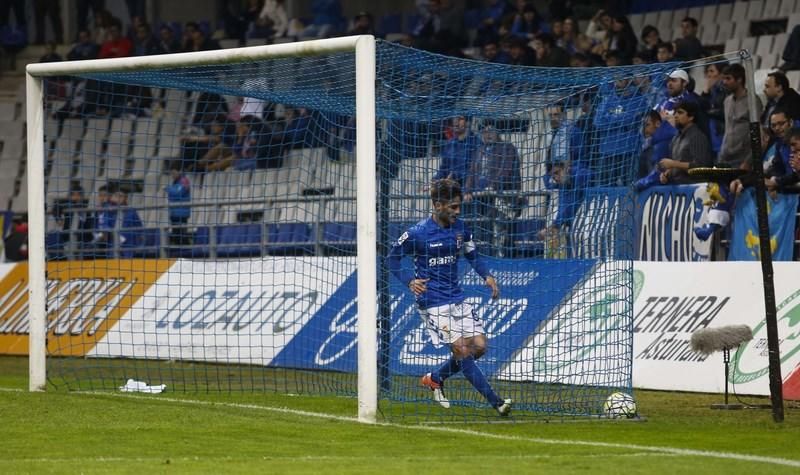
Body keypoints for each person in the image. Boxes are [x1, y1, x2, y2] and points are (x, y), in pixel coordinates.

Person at [386, 178, 512, 416]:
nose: (457, 211)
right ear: (437, 205)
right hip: (432, 302)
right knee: (462, 351)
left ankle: (435, 378)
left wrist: (487, 276)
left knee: (480, 347)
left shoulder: (460, 228)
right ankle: (497, 402)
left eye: (459, 206)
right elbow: (391, 259)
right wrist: (409, 281)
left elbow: (472, 255)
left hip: (456, 297)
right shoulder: (417, 233)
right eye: (453, 207)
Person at [464, 124, 523, 257]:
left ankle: (505, 262)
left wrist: (493, 186)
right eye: (484, 132)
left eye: (490, 131)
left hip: (503, 197)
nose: (487, 134)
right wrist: (467, 190)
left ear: (498, 132)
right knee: (484, 233)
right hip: (482, 199)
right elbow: (472, 173)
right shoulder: (480, 150)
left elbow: (506, 170)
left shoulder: (507, 148)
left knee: (502, 233)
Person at [657, 101, 715, 185]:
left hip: (695, 191)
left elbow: (701, 167)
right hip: (679, 190)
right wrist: (667, 174)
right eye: (675, 112)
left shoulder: (697, 136)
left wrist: (673, 164)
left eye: (680, 112)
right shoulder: (676, 138)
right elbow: (677, 165)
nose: (675, 115)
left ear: (691, 117)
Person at [719, 63, 761, 169]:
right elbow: (727, 129)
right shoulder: (727, 101)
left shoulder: (753, 101)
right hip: (725, 158)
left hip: (743, 160)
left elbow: (759, 134)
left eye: (728, 79)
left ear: (739, 80)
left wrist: (749, 161)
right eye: (724, 79)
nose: (724, 82)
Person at [433, 116, 481, 187]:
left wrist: (454, 175)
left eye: (459, 119)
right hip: (449, 186)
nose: (455, 122)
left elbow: (476, 170)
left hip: (470, 188)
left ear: (468, 123)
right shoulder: (449, 144)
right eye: (454, 119)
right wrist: (435, 179)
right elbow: (443, 168)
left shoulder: (477, 143)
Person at [165, 164, 191, 247]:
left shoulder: (184, 180)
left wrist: (168, 189)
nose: (172, 175)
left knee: (182, 235)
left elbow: (179, 193)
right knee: (176, 235)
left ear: (179, 171)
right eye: (171, 173)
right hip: (174, 213)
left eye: (173, 173)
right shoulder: (175, 182)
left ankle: (187, 252)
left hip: (181, 213)